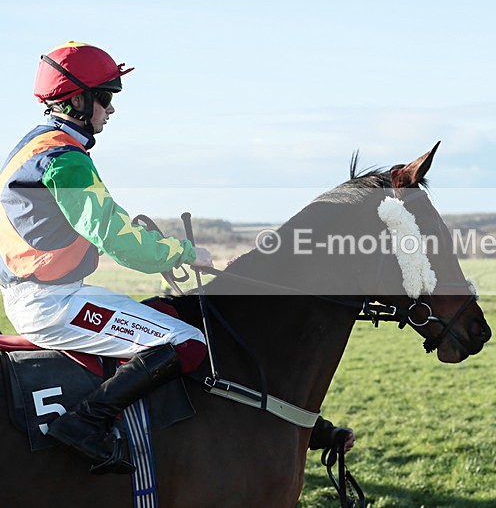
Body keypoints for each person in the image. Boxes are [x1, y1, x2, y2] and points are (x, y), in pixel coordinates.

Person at [1, 41, 354, 474]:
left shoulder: (35, 146)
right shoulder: (64, 160)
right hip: (51, 304)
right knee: (186, 343)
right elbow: (119, 239)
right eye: (106, 97)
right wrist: (184, 252)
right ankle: (85, 424)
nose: (111, 110)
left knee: (168, 312)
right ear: (77, 99)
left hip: (49, 294)